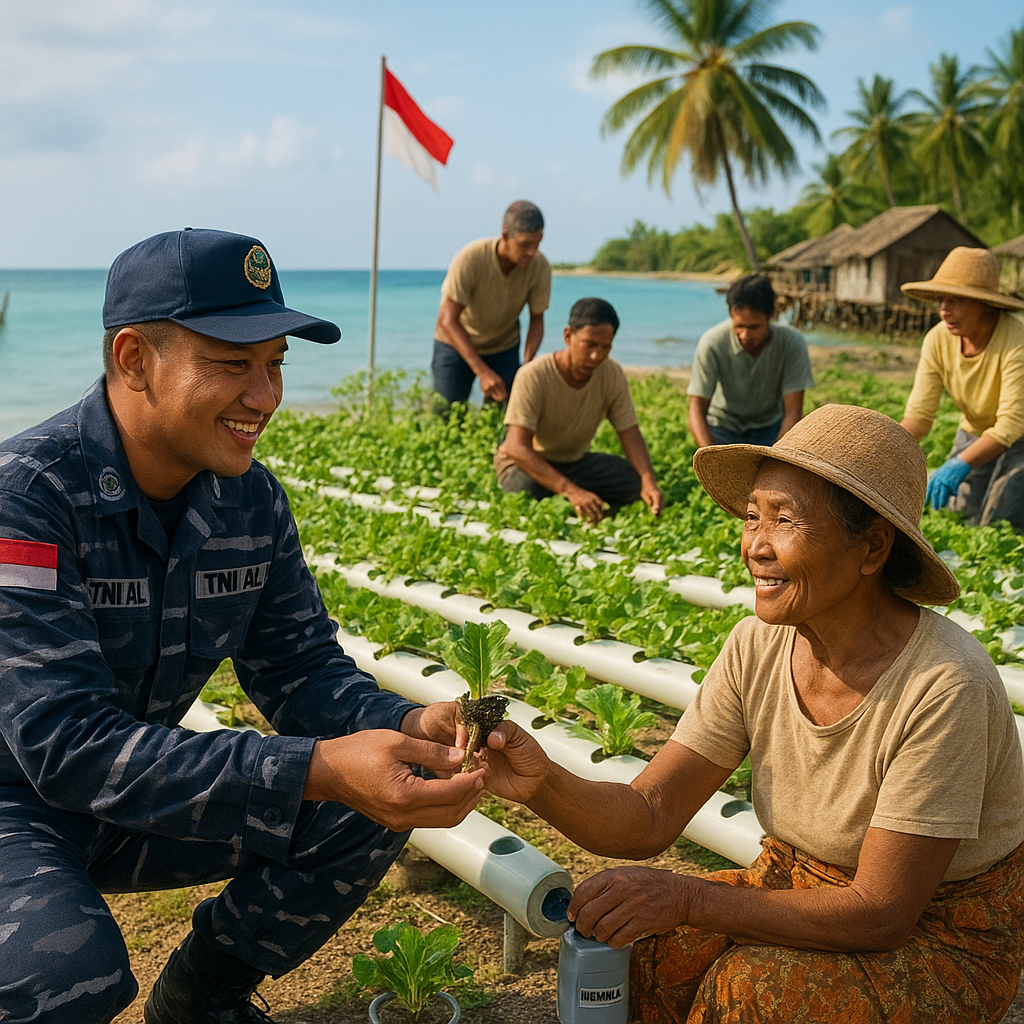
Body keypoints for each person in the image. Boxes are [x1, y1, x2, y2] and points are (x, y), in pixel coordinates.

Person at [0, 228, 485, 1024]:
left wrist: (408, 726)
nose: (265, 396)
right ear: (134, 359)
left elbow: (302, 670)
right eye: (232, 364)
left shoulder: (249, 502)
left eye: (276, 365)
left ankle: (202, 999)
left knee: (383, 795)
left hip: (130, 796)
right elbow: (68, 747)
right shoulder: (27, 497)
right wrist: (316, 768)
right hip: (14, 804)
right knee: (67, 974)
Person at [483, 404, 1024, 1024]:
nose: (755, 546)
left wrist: (689, 897)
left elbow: (882, 911)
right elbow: (650, 814)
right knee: (642, 945)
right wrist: (541, 782)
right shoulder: (757, 644)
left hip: (942, 936)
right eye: (751, 517)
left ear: (872, 547)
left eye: (785, 520)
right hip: (798, 884)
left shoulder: (943, 684)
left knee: (755, 990)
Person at [494, 297, 664, 523]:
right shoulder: (533, 375)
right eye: (589, 345)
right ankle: (573, 497)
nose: (596, 356)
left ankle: (578, 499)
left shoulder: (611, 373)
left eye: (605, 347)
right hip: (526, 465)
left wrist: (648, 481)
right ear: (568, 336)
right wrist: (571, 491)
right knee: (528, 489)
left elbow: (629, 432)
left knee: (633, 480)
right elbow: (515, 447)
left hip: (575, 463)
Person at [899, 246, 1024, 530]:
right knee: (957, 514)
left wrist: (960, 463)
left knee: (1000, 522)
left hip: (1020, 439)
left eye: (954, 300)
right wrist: (884, 448)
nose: (944, 310)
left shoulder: (1016, 340)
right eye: (941, 300)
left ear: (983, 304)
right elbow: (919, 417)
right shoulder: (937, 340)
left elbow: (1011, 425)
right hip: (975, 434)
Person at [432, 199, 551, 405]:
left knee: (503, 416)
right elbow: (448, 320)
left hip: (503, 347)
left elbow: (537, 320)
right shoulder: (471, 257)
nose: (532, 252)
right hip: (455, 344)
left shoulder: (540, 266)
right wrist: (482, 371)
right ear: (505, 236)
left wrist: (526, 366)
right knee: (446, 412)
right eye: (525, 244)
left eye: (537, 243)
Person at [688, 273, 814, 447]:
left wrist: (777, 455)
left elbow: (793, 412)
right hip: (722, 427)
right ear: (731, 315)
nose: (745, 335)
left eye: (754, 327)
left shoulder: (792, 343)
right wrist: (710, 454)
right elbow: (696, 408)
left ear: (770, 316)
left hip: (770, 427)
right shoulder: (712, 342)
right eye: (739, 326)